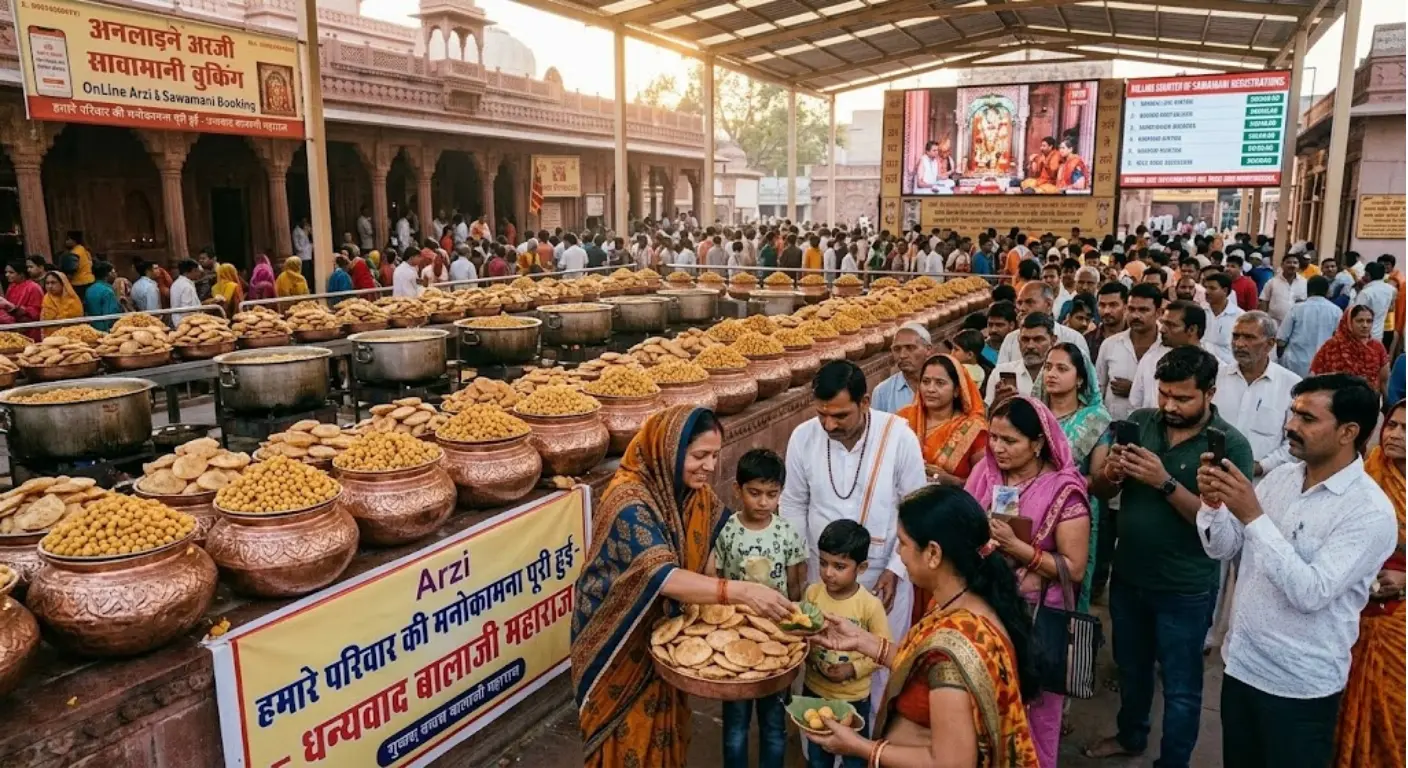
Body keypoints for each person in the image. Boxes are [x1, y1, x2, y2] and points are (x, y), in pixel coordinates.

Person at [570, 406, 793, 768]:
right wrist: (739, 592)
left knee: (666, 725)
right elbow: (662, 575)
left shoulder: (695, 495)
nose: (709, 466)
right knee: (628, 736)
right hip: (617, 636)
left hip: (665, 630)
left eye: (715, 456)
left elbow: (708, 547)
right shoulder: (628, 500)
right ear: (669, 450)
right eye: (699, 456)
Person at [1198, 375, 1395, 767]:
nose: (1290, 425)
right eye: (1292, 413)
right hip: (1241, 667)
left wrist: (1253, 515)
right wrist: (1213, 504)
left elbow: (1311, 592)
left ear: (1348, 432)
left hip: (1299, 689)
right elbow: (1224, 547)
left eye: (1307, 418)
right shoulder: (1282, 478)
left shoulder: (1369, 512)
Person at [1085, 346, 1254, 767]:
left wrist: (1163, 481)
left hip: (1185, 588)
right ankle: (1131, 736)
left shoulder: (1230, 445)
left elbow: (1225, 529)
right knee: (1132, 669)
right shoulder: (1140, 423)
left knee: (1181, 688)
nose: (1169, 406)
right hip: (1130, 577)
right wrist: (1113, 473)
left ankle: (1174, 761)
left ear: (1210, 393)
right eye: (1164, 394)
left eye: (1182, 398)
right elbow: (1101, 491)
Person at [803, 485, 1040, 767]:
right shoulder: (963, 603)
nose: (900, 555)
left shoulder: (953, 650)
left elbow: (951, 763)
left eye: (903, 544)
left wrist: (861, 747)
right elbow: (919, 667)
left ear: (933, 553)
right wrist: (861, 641)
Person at [780, 360, 927, 706]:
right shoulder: (803, 437)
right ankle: (817, 746)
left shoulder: (899, 437)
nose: (829, 424)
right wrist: (799, 567)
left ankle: (872, 748)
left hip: (882, 577)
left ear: (864, 403)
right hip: (823, 574)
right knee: (820, 657)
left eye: (840, 416)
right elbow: (793, 505)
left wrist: (896, 568)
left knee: (877, 664)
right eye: (822, 415)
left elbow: (916, 509)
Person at [965, 396, 1091, 767]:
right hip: (986, 610)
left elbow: (1075, 567)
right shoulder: (985, 475)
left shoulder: (1063, 490)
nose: (998, 448)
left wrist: (1018, 549)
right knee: (981, 705)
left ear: (1038, 443)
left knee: (1035, 716)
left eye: (1010, 441)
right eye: (995, 438)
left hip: (1038, 621)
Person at [708, 448, 804, 766]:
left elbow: (794, 588)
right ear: (738, 490)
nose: (763, 502)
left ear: (780, 494)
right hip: (734, 638)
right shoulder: (726, 533)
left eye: (772, 494)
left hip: (777, 639)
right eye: (755, 493)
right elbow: (717, 583)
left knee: (774, 723)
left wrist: (796, 632)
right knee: (735, 725)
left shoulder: (787, 534)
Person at [1332, 400, 1405, 767]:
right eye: (1392, 425)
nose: (1395, 435)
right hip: (1353, 608)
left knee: (1394, 713)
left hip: (1400, 625)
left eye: (1407, 429)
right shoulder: (1366, 472)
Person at [802, 520, 890, 768]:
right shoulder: (812, 594)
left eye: (839, 566)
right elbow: (804, 633)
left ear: (861, 567)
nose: (828, 572)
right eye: (823, 563)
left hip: (853, 698)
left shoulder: (869, 605)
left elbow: (884, 650)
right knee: (818, 757)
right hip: (815, 692)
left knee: (854, 758)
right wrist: (808, 654)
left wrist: (852, 670)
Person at [1033, 342, 1111, 609]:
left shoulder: (1095, 419)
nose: (1051, 374)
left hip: (1073, 512)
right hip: (1030, 509)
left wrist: (1059, 485)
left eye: (1062, 368)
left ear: (1080, 378)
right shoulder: (1031, 414)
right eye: (1048, 367)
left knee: (1068, 584)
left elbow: (1099, 477)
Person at [898, 353, 988, 492]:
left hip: (953, 507)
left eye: (940, 383)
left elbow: (985, 483)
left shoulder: (973, 429)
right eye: (926, 381)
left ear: (957, 390)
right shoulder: (902, 419)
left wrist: (951, 481)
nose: (931, 389)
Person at [1129, 300, 1208, 411]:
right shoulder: (1150, 359)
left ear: (1192, 329)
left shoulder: (1213, 367)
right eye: (1163, 323)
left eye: (1171, 325)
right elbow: (1134, 405)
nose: (1162, 329)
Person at [996, 282, 1090, 364]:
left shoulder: (1074, 339)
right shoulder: (1011, 339)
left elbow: (1085, 379)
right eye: (1020, 303)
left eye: (1029, 302)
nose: (1022, 308)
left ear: (1049, 304)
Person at [1312, 305, 1392, 394]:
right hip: (1337, 401)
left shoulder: (1377, 347)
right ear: (1348, 322)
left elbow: (1383, 381)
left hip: (1370, 402)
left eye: (1369, 321)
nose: (1365, 325)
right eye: (1359, 321)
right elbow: (1316, 376)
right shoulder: (1332, 346)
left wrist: (1387, 404)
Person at [1277, 275, 1342, 377]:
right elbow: (1338, 339)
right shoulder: (1336, 311)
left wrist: (1280, 358)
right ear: (1327, 291)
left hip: (1294, 363)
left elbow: (1281, 340)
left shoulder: (1296, 309)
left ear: (1308, 290)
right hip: (1322, 365)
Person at [986, 312, 1055, 406]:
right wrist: (998, 402)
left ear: (1053, 340)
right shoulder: (1000, 372)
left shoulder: (1059, 375)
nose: (1030, 346)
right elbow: (986, 414)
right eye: (1025, 339)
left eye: (1038, 339)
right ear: (1018, 341)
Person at [872, 323, 932, 414]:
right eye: (897, 349)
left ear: (928, 350)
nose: (902, 355)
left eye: (910, 348)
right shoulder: (882, 392)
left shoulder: (943, 386)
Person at [1351, 261, 1397, 343]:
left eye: (1365, 274)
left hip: (1363, 335)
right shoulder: (1391, 290)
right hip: (1379, 335)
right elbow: (1391, 309)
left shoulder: (1366, 292)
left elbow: (1356, 313)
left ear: (1368, 275)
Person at [1202, 272, 1242, 365]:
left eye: (1212, 288)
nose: (1207, 292)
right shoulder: (1200, 312)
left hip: (1227, 368)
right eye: (1206, 287)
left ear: (1225, 290)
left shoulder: (1240, 317)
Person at [1259, 253, 1306, 324]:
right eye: (1288, 262)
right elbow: (1264, 301)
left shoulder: (1304, 282)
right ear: (1282, 265)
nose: (1292, 265)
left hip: (1296, 324)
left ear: (1299, 266)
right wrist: (1263, 321)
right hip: (1274, 323)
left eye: (1295, 263)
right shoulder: (1272, 282)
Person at [80, 261, 121, 331]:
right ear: (109, 274)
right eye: (114, 272)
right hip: (105, 330)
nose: (116, 275)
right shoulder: (107, 292)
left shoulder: (89, 289)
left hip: (92, 328)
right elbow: (110, 318)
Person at [168, 260, 202, 327]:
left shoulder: (175, 283)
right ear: (192, 271)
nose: (199, 273)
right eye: (197, 271)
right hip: (187, 324)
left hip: (178, 321)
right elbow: (187, 311)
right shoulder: (187, 287)